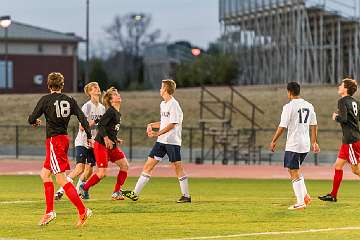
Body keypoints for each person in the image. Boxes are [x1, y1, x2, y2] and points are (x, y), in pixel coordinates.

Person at [28, 72, 92, 227]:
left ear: (49, 85)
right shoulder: (70, 100)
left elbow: (31, 118)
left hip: (54, 141)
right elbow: (82, 118)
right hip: (63, 139)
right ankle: (49, 212)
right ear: (62, 85)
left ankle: (83, 211)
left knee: (61, 179)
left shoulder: (45, 100)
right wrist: (89, 136)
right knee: (45, 174)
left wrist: (36, 121)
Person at [123, 79, 191, 203]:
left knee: (177, 167)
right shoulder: (163, 104)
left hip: (172, 141)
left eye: (161, 87)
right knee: (148, 165)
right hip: (161, 141)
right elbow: (164, 122)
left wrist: (157, 133)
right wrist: (151, 124)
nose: (160, 89)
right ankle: (135, 193)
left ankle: (186, 196)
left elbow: (172, 124)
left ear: (165, 89)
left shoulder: (174, 104)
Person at [270, 82, 320, 210]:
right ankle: (305, 196)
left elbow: (282, 126)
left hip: (294, 144)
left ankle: (300, 202)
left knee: (293, 171)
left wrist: (274, 140)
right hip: (305, 144)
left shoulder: (289, 107)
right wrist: (314, 142)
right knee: (294, 170)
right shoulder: (309, 105)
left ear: (289, 92)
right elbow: (314, 124)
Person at [54, 82, 105, 200]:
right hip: (83, 141)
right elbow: (82, 126)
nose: (97, 89)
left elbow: (101, 127)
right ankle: (61, 191)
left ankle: (78, 191)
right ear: (90, 92)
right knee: (79, 168)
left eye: (98, 86)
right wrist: (96, 121)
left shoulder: (102, 108)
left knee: (89, 171)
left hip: (93, 142)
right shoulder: (87, 106)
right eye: (94, 88)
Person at [79, 87, 129, 200]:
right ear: (111, 100)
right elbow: (101, 125)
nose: (118, 95)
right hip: (101, 144)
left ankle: (116, 192)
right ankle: (84, 187)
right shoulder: (110, 111)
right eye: (115, 95)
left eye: (118, 93)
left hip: (111, 145)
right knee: (102, 173)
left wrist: (115, 139)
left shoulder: (117, 113)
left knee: (125, 165)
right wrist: (106, 138)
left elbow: (110, 128)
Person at [319, 78, 360, 202]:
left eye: (341, 85)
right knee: (337, 166)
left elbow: (344, 119)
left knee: (356, 170)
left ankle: (333, 195)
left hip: (351, 140)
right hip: (350, 139)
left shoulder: (342, 101)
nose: (339, 86)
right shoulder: (355, 102)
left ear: (346, 88)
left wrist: (336, 117)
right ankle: (333, 195)